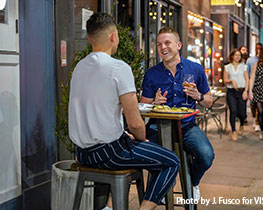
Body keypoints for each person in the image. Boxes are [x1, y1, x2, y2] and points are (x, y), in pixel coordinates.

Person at [68, 13, 179, 210]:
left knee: (133, 148)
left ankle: (109, 207)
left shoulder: (79, 67)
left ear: (90, 38)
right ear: (113, 36)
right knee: (171, 161)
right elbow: (135, 122)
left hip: (82, 153)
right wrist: (140, 138)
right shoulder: (118, 68)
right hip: (109, 153)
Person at [140, 27, 215, 201]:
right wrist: (154, 103)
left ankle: (193, 182)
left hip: (187, 126)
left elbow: (208, 101)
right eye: (159, 44)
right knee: (146, 155)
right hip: (158, 126)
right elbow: (143, 105)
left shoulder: (195, 69)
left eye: (167, 43)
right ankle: (164, 183)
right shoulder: (152, 73)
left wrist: (198, 96)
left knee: (206, 155)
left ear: (179, 45)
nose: (163, 47)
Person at [224, 49, 249, 141]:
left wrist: (246, 91)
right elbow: (225, 80)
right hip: (231, 92)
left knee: (242, 113)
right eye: (236, 55)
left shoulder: (244, 67)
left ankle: (242, 124)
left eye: (239, 55)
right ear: (232, 56)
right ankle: (233, 131)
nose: (238, 57)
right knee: (233, 110)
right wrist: (232, 81)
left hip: (242, 91)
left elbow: (247, 80)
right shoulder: (227, 67)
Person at [246, 43, 263, 132]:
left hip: (261, 85)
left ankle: (257, 122)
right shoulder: (250, 60)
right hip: (252, 84)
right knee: (252, 103)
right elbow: (247, 73)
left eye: (260, 48)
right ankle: (254, 118)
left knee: (259, 104)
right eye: (257, 48)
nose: (259, 50)